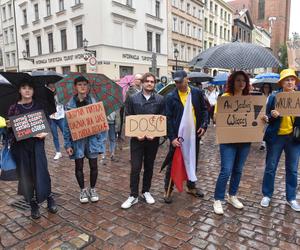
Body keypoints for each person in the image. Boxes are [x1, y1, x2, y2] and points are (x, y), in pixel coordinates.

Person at [7, 80, 57, 219]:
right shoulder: (13, 108)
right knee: (26, 175)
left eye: (30, 88)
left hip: (37, 145)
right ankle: (33, 203)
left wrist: (45, 133)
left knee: (42, 172)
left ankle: (49, 197)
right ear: (19, 90)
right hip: (21, 147)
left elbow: (47, 122)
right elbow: (9, 130)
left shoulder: (39, 105)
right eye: (24, 87)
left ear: (34, 91)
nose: (27, 90)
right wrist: (10, 127)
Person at [121, 72, 165, 209]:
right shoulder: (133, 98)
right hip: (137, 140)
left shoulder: (160, 99)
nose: (150, 83)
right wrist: (135, 134)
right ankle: (133, 195)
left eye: (152, 82)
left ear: (154, 83)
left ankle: (146, 191)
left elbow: (162, 118)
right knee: (135, 167)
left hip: (152, 140)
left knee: (149, 166)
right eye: (147, 81)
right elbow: (128, 117)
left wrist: (156, 134)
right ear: (143, 82)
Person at [164, 70, 208, 203]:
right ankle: (168, 190)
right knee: (173, 163)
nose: (178, 84)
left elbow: (204, 111)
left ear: (187, 79)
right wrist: (172, 138)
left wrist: (204, 125)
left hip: (194, 135)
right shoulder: (171, 96)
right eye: (176, 82)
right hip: (178, 137)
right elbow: (168, 118)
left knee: (192, 160)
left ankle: (191, 186)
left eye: (180, 81)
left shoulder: (197, 93)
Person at [213, 71, 253, 215]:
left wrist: (263, 119)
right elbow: (216, 118)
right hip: (228, 140)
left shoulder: (248, 99)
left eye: (243, 80)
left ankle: (232, 195)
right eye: (238, 80)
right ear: (232, 82)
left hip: (244, 140)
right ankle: (218, 199)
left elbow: (254, 118)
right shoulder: (225, 97)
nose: (241, 83)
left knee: (238, 170)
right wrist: (217, 116)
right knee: (226, 170)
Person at [260, 69, 300, 212]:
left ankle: (291, 198)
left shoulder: (298, 97)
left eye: (292, 79)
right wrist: (271, 116)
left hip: (293, 138)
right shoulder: (274, 98)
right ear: (281, 83)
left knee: (293, 169)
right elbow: (267, 118)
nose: (290, 82)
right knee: (271, 167)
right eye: (287, 80)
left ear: (295, 82)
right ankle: (267, 194)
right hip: (276, 137)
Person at [64, 76, 105, 204]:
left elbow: (102, 124)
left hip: (92, 140)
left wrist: (100, 142)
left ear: (88, 87)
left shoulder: (94, 103)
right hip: (77, 141)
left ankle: (92, 189)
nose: (82, 87)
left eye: (85, 84)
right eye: (80, 84)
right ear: (75, 87)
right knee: (79, 166)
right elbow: (66, 127)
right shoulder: (70, 105)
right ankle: (82, 190)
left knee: (94, 165)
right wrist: (67, 144)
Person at [46, 82, 65, 160]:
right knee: (55, 135)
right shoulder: (46, 95)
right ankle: (58, 152)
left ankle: (70, 149)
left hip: (61, 116)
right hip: (52, 118)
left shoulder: (60, 94)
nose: (52, 88)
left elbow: (63, 103)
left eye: (53, 86)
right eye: (50, 86)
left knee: (65, 134)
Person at [259, 83, 273, 150]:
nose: (266, 89)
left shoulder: (272, 97)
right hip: (260, 115)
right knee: (261, 130)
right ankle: (262, 143)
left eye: (267, 87)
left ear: (269, 88)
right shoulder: (260, 96)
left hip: (267, 115)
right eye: (265, 87)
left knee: (265, 129)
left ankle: (263, 143)